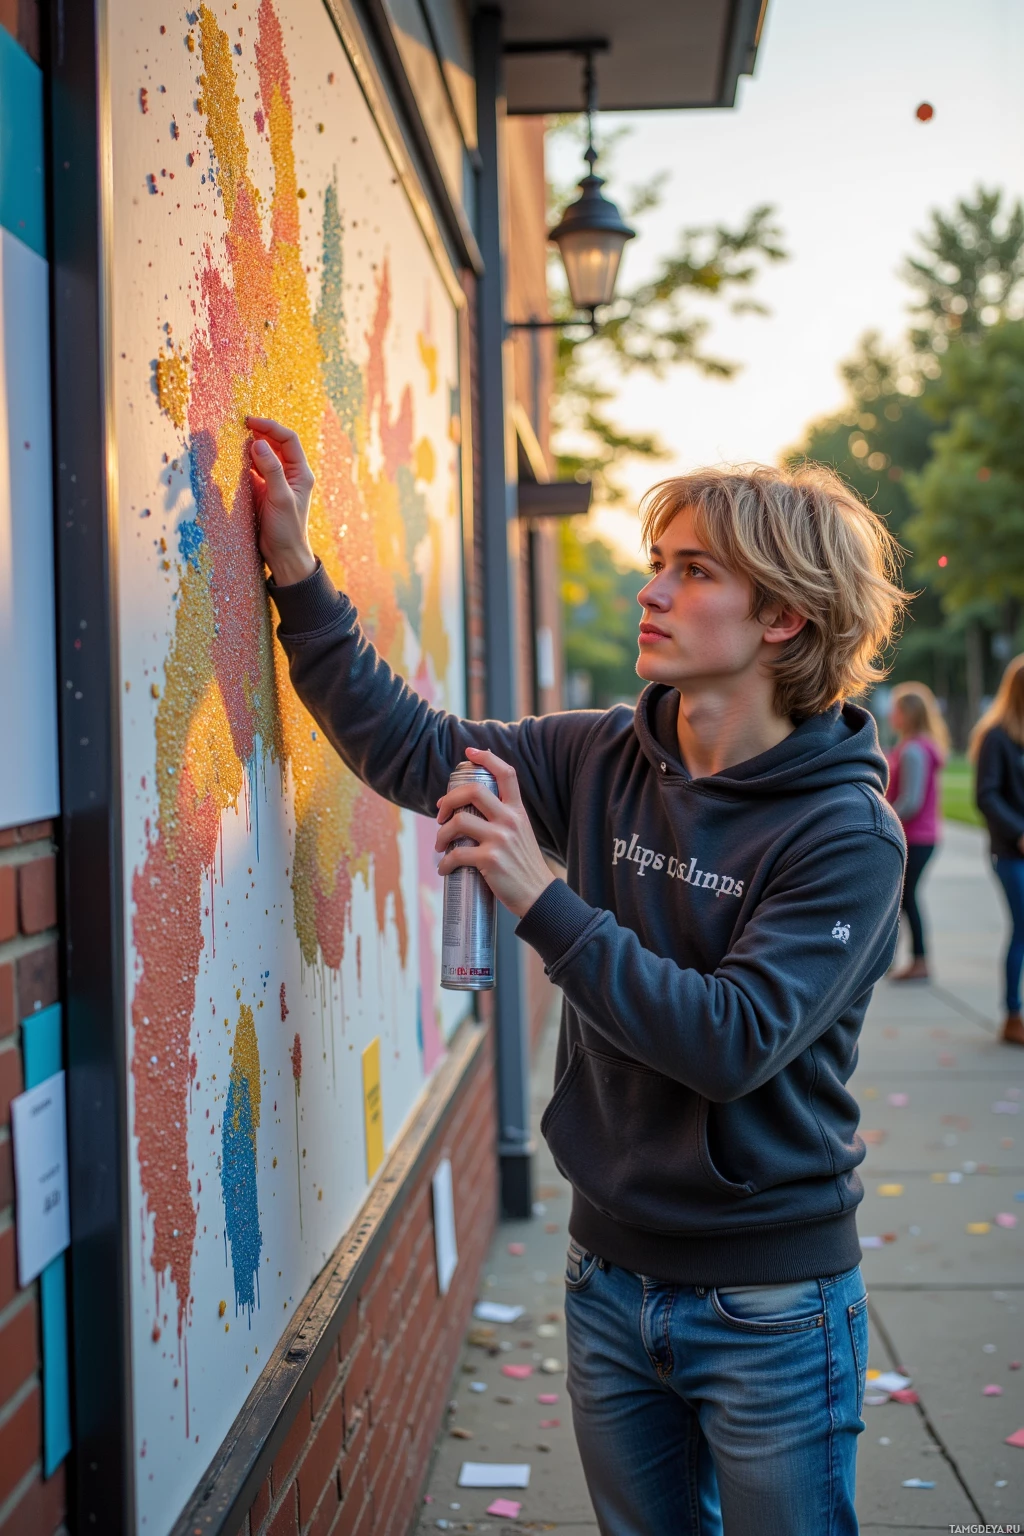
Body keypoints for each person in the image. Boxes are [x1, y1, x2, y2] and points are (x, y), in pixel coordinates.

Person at [246, 414, 908, 1536]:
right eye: (656, 562)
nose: (651, 589)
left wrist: (537, 897)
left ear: (784, 615)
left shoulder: (847, 833)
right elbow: (411, 742)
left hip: (770, 1303)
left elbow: (731, 1040)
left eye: (692, 571)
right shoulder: (601, 752)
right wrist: (297, 572)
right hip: (606, 1273)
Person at [971, 654, 1024, 1047]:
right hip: (1012, 854)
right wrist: (1019, 832)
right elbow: (986, 795)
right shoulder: (997, 736)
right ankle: (1012, 1014)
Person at [884, 682, 948, 981]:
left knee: (906, 897)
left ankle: (918, 961)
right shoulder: (914, 745)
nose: (890, 714)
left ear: (907, 713)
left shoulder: (913, 750)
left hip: (916, 837)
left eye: (895, 708)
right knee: (904, 898)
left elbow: (911, 800)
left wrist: (880, 819)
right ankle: (903, 958)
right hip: (920, 836)